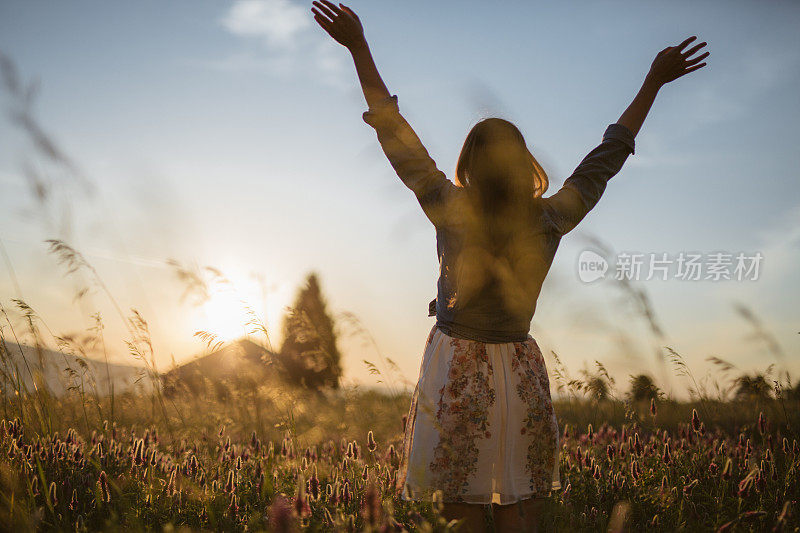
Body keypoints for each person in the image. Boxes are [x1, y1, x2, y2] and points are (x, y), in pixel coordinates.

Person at [311, 2, 708, 531]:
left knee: (459, 514)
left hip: (457, 368)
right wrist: (653, 83)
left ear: (469, 164)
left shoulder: (450, 207)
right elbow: (607, 157)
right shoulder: (550, 219)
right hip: (521, 371)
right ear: (525, 164)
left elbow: (394, 135)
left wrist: (359, 48)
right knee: (521, 510)